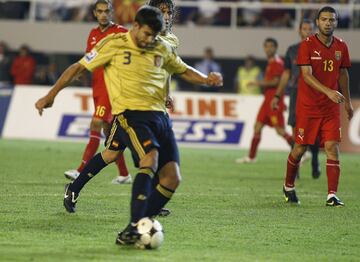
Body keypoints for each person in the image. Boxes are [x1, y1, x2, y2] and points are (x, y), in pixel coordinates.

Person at [35, 6, 223, 245]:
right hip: (131, 115)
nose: (149, 39)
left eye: (153, 35)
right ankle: (135, 226)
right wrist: (50, 95)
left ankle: (134, 225)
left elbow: (182, 69)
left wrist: (206, 79)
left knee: (171, 178)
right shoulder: (114, 43)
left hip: (160, 118)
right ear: (135, 26)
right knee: (149, 158)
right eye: (146, 33)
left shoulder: (162, 46)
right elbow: (79, 67)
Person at [282, 6, 353, 206]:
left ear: (336, 23)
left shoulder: (341, 46)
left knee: (332, 146)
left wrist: (347, 102)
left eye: (332, 20)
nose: (328, 23)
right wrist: (329, 91)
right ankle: (288, 186)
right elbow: (306, 75)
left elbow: (343, 74)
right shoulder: (307, 45)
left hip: (331, 108)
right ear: (318, 22)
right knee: (300, 148)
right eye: (324, 19)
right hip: (308, 106)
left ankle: (332, 195)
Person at [63, 0, 131, 185]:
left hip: (112, 88)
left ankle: (80, 170)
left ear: (111, 12)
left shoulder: (121, 32)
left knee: (96, 123)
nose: (103, 14)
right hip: (97, 87)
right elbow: (89, 58)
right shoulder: (93, 34)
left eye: (106, 11)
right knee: (109, 133)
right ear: (94, 13)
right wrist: (81, 72)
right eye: (99, 11)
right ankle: (124, 174)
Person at [270, 19, 321, 179]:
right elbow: (286, 74)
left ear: (314, 31)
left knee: (314, 131)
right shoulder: (292, 50)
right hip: (296, 93)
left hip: (314, 94)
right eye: (304, 29)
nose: (307, 31)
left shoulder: (320, 49)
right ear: (299, 31)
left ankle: (314, 159)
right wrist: (277, 95)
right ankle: (296, 167)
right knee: (294, 128)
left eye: (310, 29)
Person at [236, 38, 293, 164]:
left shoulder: (277, 63)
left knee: (280, 131)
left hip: (274, 101)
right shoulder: (271, 62)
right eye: (266, 46)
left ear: (276, 48)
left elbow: (276, 82)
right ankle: (251, 157)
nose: (268, 49)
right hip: (267, 101)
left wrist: (257, 82)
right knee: (257, 126)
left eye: (271, 46)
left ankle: (300, 151)